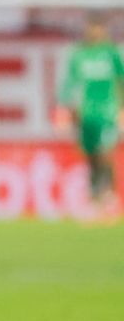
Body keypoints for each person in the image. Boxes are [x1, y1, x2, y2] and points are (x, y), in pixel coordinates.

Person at [58, 13, 123, 221]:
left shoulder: (111, 53)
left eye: (98, 28)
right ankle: (95, 198)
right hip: (87, 113)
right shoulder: (80, 54)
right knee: (92, 156)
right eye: (91, 28)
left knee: (105, 152)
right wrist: (63, 107)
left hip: (107, 110)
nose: (95, 32)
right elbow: (70, 83)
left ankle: (110, 196)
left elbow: (121, 79)